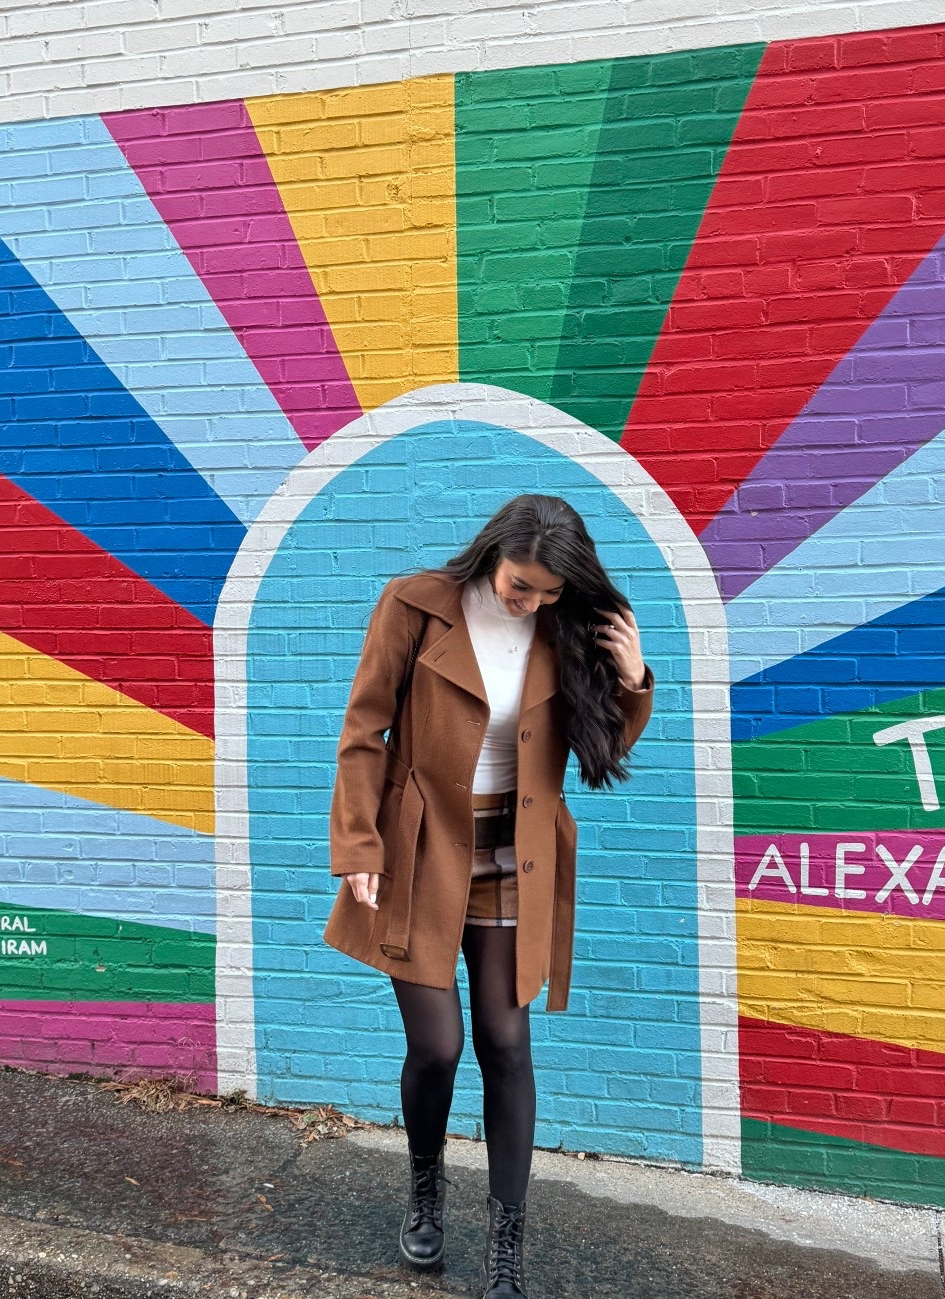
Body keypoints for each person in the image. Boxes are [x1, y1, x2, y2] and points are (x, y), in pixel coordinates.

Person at [323, 494, 654, 1299]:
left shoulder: (566, 624)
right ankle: (425, 1187)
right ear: (493, 556)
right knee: (438, 1046)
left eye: (548, 592)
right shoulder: (415, 605)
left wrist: (632, 679)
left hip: (514, 854)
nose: (531, 602)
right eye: (520, 586)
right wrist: (359, 843)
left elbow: (601, 747)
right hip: (421, 849)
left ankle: (507, 1243)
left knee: (507, 1044)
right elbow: (364, 730)